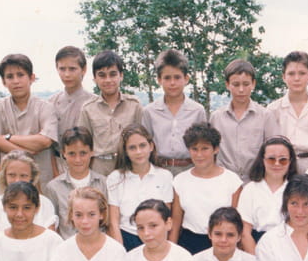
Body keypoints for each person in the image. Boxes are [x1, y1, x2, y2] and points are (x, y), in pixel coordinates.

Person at [0, 54, 59, 185]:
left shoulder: (45, 107)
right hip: (8, 181)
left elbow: (45, 141)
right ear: (3, 82)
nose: (16, 81)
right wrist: (27, 153)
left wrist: (7, 137)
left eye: (20, 75)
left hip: (41, 180)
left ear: (31, 78)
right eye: (10, 76)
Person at [170, 123, 242, 254]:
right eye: (194, 149)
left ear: (216, 149)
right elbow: (176, 223)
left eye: (205, 148)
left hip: (222, 243)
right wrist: (171, 253)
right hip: (189, 243)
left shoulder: (232, 181)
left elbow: (238, 223)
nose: (199, 154)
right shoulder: (180, 180)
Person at [209, 59, 279, 182]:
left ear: (253, 84)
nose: (241, 90)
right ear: (227, 84)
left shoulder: (265, 116)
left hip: (256, 180)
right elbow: (211, 152)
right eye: (236, 84)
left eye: (246, 84)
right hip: (223, 181)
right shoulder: (216, 117)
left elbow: (273, 150)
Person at [106, 124, 174, 251]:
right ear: (125, 151)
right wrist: (120, 251)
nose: (138, 152)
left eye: (142, 145)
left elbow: (165, 217)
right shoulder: (115, 178)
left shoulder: (165, 176)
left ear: (151, 146)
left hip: (155, 239)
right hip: (126, 238)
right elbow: (114, 222)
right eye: (132, 147)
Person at [142, 48, 207, 176]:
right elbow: (145, 144)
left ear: (186, 78)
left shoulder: (197, 111)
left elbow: (204, 144)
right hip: (158, 169)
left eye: (177, 77)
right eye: (167, 78)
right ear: (159, 80)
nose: (172, 83)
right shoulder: (150, 111)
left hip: (190, 169)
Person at [78, 50, 143, 176]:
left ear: (121, 76)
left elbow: (143, 140)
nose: (108, 80)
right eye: (102, 75)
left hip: (128, 167)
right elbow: (83, 144)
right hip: (99, 168)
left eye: (113, 74)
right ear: (95, 79)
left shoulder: (134, 105)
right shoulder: (88, 109)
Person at [266, 51, 308, 173]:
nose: (296, 78)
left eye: (302, 73)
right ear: (283, 77)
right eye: (291, 73)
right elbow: (268, 144)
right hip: (282, 165)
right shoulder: (273, 109)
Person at [44, 127, 107, 239]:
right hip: (67, 245)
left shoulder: (104, 183)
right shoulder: (53, 188)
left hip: (98, 245)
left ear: (92, 152)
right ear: (63, 153)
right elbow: (52, 226)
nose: (78, 159)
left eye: (83, 153)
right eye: (72, 154)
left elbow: (109, 222)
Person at [238, 136, 297, 254]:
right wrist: (257, 259)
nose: (277, 164)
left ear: (290, 162)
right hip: (256, 246)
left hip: (290, 247)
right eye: (271, 159)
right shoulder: (250, 189)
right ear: (262, 160)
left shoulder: (296, 189)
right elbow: (245, 233)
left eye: (283, 160)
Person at [0, 151, 57, 237]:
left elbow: (50, 237)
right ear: (5, 176)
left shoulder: (44, 204)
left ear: (32, 177)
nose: (17, 180)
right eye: (12, 175)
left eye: (23, 175)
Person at [48, 46, 97, 174]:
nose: (67, 74)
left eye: (72, 69)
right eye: (62, 69)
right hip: (57, 165)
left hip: (85, 166)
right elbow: (49, 144)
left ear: (83, 70)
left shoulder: (94, 103)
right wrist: (54, 171)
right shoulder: (51, 103)